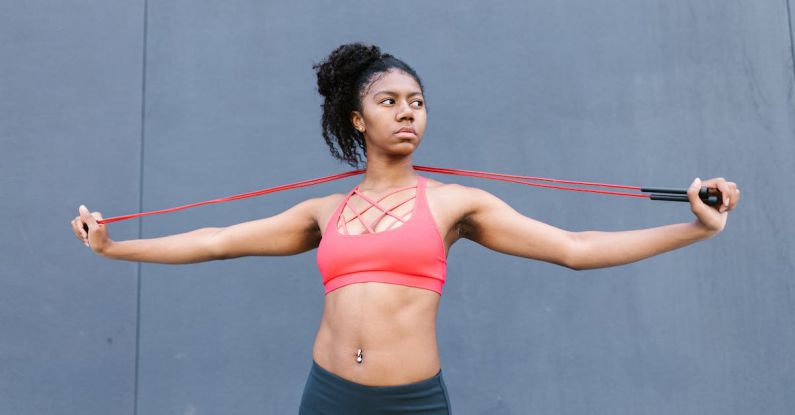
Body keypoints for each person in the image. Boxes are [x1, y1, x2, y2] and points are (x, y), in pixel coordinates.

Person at [69, 42, 740, 414]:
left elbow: (575, 249)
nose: (406, 112)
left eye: (416, 101)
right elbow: (215, 241)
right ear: (356, 119)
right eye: (388, 101)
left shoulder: (454, 205)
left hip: (412, 404)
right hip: (326, 394)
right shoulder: (323, 213)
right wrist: (113, 246)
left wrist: (695, 228)